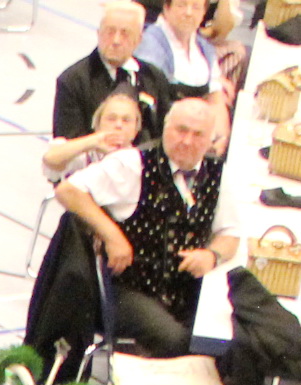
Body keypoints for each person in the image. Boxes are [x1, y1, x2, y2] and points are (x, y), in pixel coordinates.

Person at [47, 90, 235, 357]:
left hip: (185, 290)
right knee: (179, 342)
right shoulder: (132, 164)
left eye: (198, 135)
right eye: (180, 130)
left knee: (229, 335)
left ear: (210, 141)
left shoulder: (217, 174)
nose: (187, 141)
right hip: (129, 290)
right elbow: (68, 191)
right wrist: (113, 236)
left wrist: (211, 255)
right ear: (165, 128)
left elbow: (230, 234)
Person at [51, 0, 172, 143]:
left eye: (125, 33)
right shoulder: (73, 80)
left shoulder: (153, 77)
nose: (116, 40)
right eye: (110, 31)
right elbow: (67, 143)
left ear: (138, 39)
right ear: (98, 33)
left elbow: (164, 132)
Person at [135, 0, 241, 99]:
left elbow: (221, 27)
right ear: (167, 7)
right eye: (182, 5)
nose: (189, 12)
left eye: (196, 7)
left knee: (237, 51)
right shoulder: (151, 44)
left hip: (200, 36)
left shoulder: (205, 49)